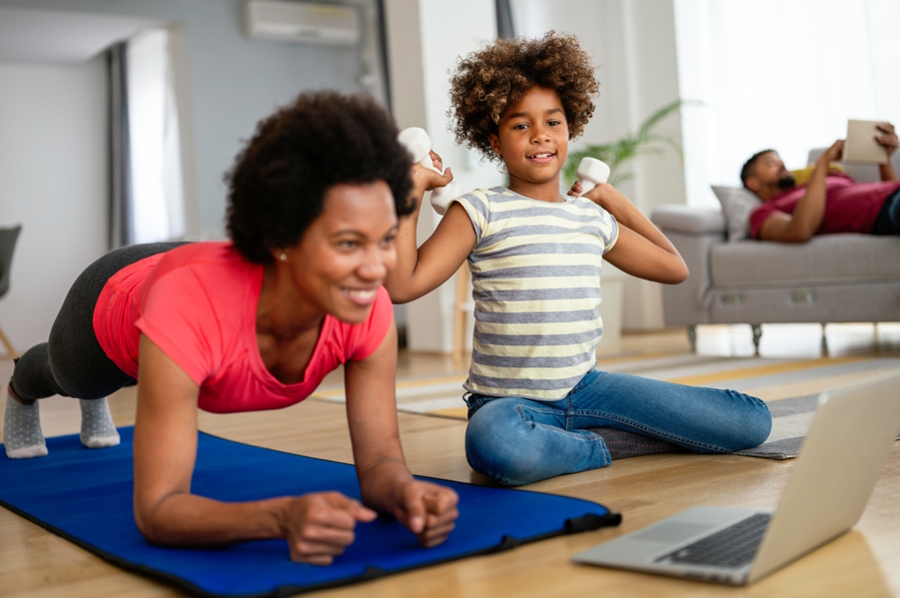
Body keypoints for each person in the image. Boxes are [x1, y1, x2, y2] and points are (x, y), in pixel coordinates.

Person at [3, 91, 458, 564]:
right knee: (71, 377)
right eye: (348, 243)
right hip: (116, 295)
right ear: (281, 239)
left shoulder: (368, 309)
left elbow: (382, 462)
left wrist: (406, 493)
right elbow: (157, 510)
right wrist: (279, 518)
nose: (374, 268)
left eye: (385, 239)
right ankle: (21, 387)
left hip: (200, 280)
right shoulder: (188, 306)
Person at [383, 33, 772, 487]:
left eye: (553, 122)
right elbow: (402, 285)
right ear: (494, 139)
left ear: (571, 130)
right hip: (509, 405)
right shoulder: (477, 209)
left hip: (587, 390)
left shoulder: (591, 217)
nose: (541, 135)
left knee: (752, 422)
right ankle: (613, 444)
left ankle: (577, 439)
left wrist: (613, 200)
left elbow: (674, 267)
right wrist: (413, 189)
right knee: (496, 444)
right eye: (520, 125)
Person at [741, 123, 900, 242]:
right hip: (882, 213)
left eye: (780, 160)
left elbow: (889, 188)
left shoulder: (815, 183)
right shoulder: (762, 212)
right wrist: (823, 163)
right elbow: (799, 231)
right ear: (753, 182)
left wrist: (883, 158)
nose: (782, 165)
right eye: (771, 163)